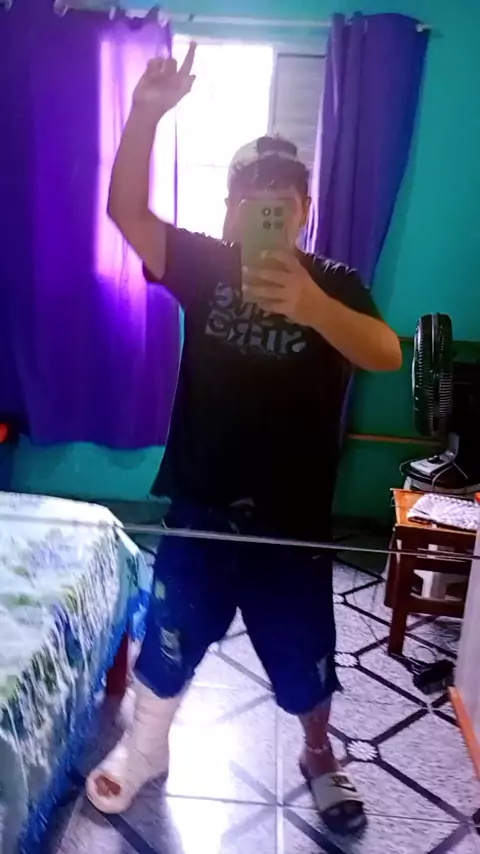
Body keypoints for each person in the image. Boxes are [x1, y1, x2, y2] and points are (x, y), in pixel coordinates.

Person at [86, 43, 402, 834]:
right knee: (172, 629)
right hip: (201, 497)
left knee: (305, 653)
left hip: (292, 516)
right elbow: (126, 214)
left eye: (282, 201)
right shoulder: (206, 264)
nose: (268, 211)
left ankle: (318, 754)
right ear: (232, 210)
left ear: (304, 209)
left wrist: (314, 308)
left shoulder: (334, 282)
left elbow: (385, 353)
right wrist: (146, 113)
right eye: (252, 199)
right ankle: (147, 746)